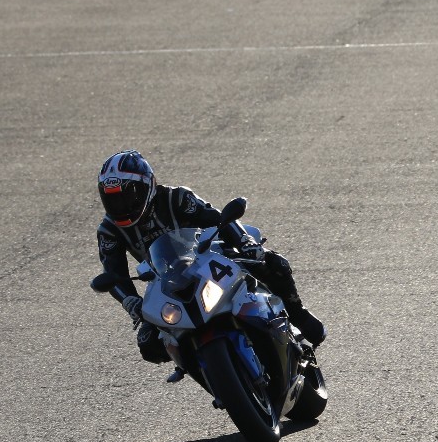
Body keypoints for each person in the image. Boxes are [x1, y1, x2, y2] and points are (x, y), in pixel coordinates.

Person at [95, 150, 326, 366]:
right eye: (112, 199)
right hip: (165, 281)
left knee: (273, 264)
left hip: (207, 256)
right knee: (149, 345)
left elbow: (217, 218)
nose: (120, 206)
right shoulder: (109, 231)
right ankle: (204, 368)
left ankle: (297, 314)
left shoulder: (177, 197)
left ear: (148, 187)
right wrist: (130, 301)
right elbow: (113, 274)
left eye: (127, 196)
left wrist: (245, 242)